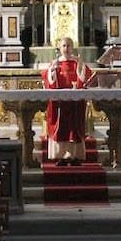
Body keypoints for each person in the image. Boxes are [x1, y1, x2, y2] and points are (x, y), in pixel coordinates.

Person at [42, 36, 94, 166]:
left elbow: (85, 78)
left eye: (69, 45)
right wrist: (52, 70)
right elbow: (49, 80)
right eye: (64, 46)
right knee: (61, 128)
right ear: (59, 48)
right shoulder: (55, 63)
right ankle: (61, 156)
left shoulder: (77, 62)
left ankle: (76, 155)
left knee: (74, 127)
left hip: (75, 102)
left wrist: (81, 66)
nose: (66, 48)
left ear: (73, 47)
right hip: (59, 102)